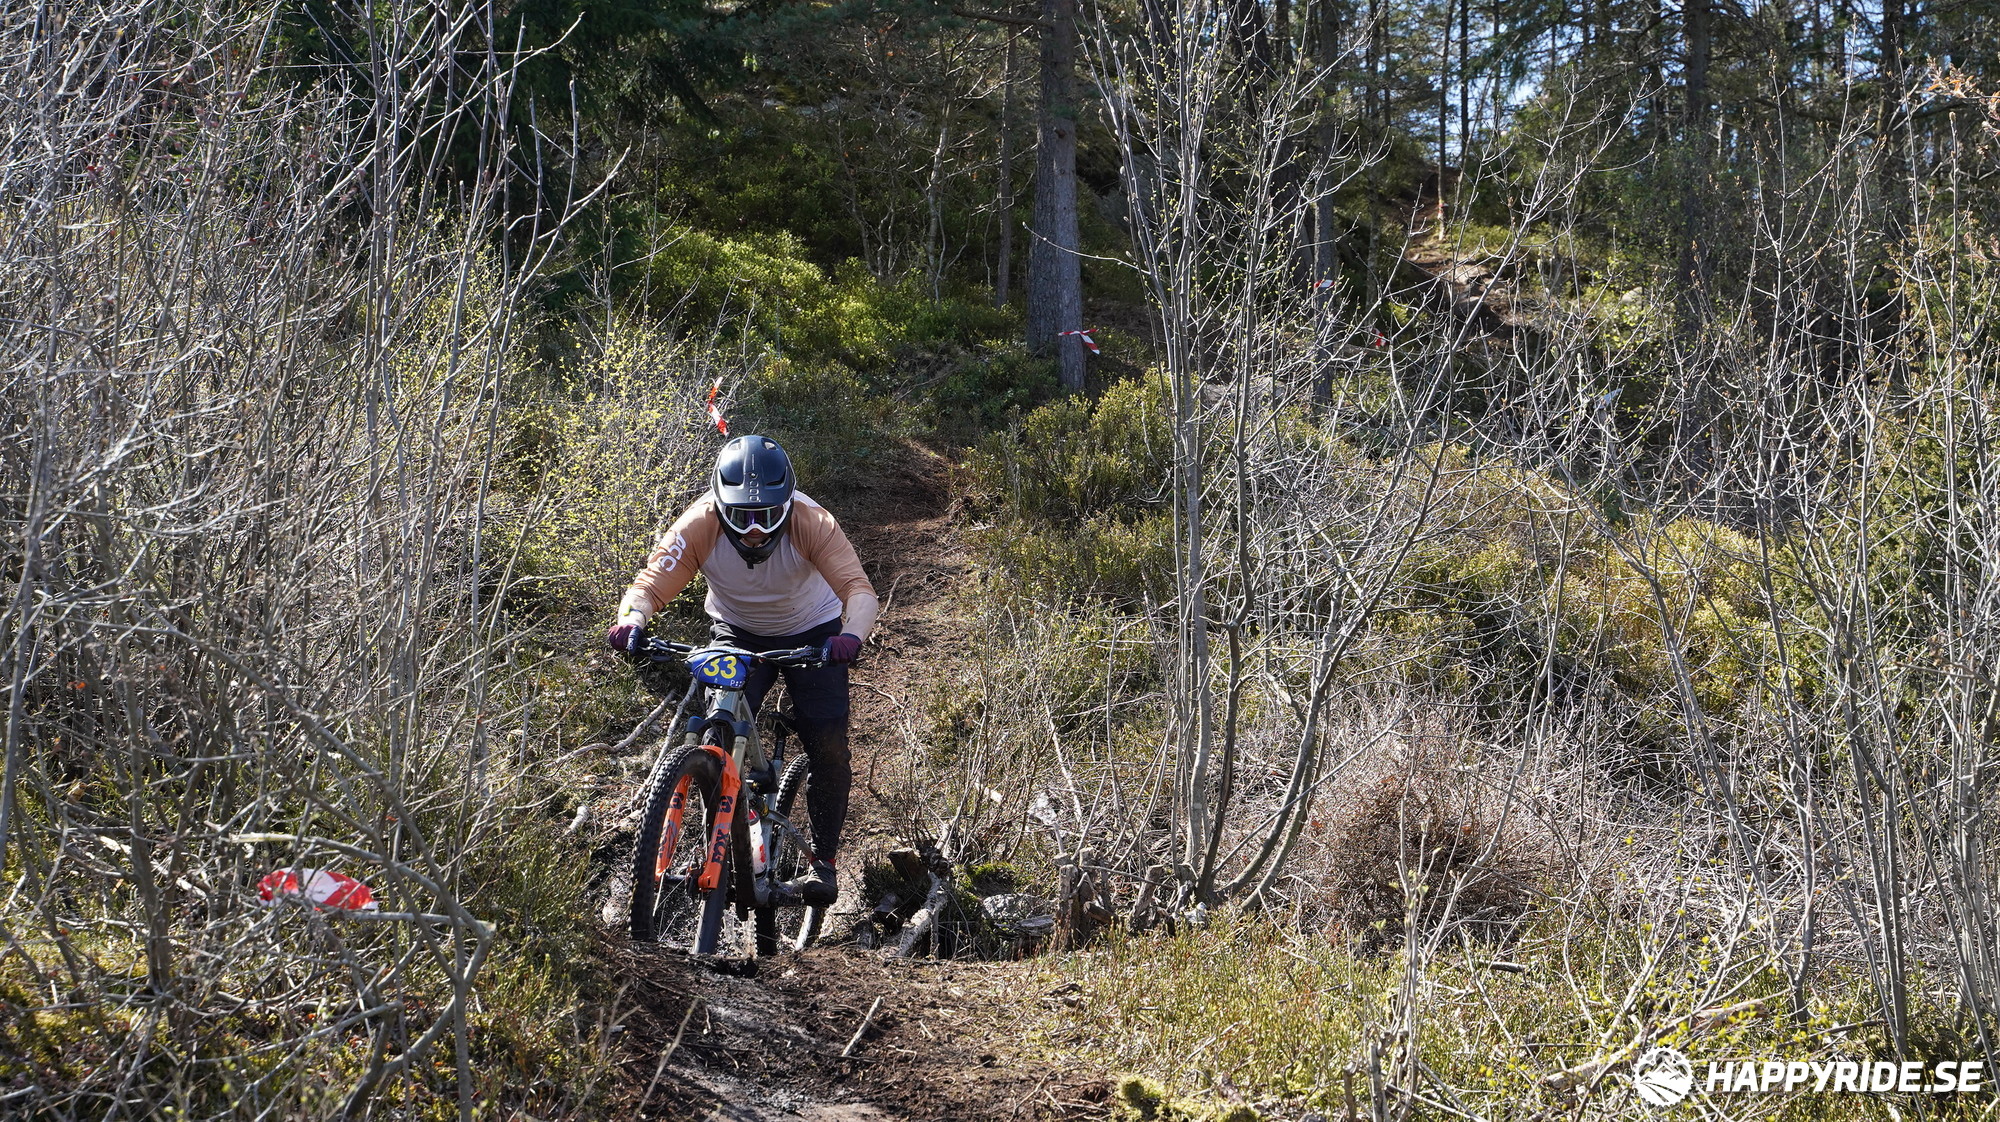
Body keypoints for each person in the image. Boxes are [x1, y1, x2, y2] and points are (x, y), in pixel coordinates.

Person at [607, 435, 877, 906]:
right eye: (742, 516)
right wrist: (631, 620)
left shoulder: (813, 521)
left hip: (814, 629)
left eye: (767, 516)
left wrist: (850, 637)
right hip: (736, 631)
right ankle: (727, 834)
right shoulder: (699, 523)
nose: (754, 530)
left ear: (787, 503)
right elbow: (648, 586)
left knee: (828, 742)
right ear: (720, 505)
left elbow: (858, 590)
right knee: (719, 730)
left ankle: (824, 860)